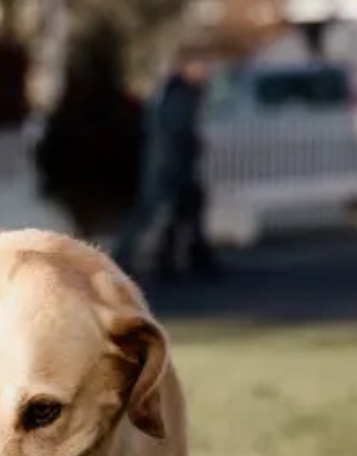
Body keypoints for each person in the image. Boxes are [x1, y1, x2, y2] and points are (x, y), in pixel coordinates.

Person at [113, 45, 224, 281]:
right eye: (202, 66)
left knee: (184, 214)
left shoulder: (181, 92)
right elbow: (174, 133)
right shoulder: (179, 94)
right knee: (155, 213)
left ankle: (181, 261)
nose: (206, 72)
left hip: (175, 164)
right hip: (169, 165)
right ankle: (128, 259)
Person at [31, 21, 145, 242]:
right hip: (107, 190)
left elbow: (50, 147)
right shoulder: (121, 107)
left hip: (81, 190)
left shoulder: (72, 104)